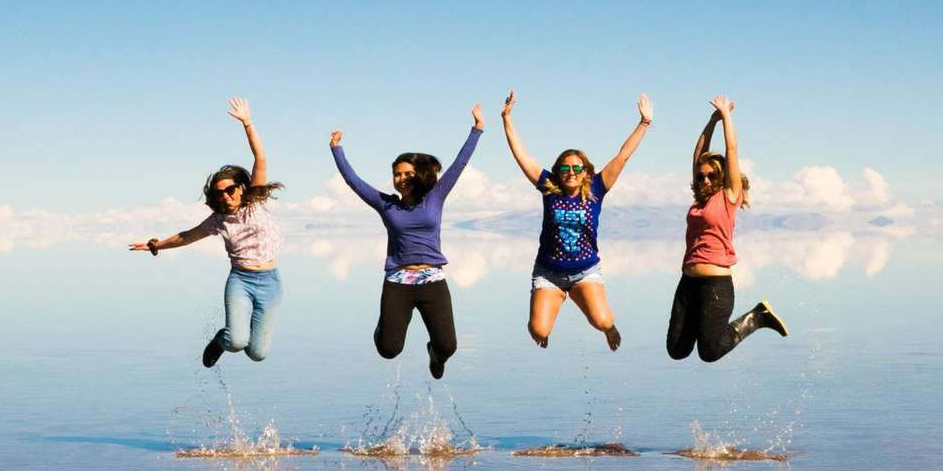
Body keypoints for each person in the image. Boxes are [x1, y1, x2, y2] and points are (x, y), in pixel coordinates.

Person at [330, 104, 485, 378]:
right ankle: (383, 327)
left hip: (432, 280)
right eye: (396, 174)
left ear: (419, 174)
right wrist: (336, 150)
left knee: (447, 346)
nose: (400, 179)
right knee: (389, 350)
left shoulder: (435, 196)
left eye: (406, 173)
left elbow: (459, 164)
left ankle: (434, 357)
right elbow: (354, 181)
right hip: (398, 282)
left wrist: (477, 129)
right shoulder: (386, 204)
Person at [131, 97, 286, 367]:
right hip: (241, 280)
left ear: (241, 188)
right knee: (236, 341)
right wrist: (156, 245)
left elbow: (260, 157)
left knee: (258, 353)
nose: (226, 196)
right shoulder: (218, 220)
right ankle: (220, 341)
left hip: (271, 282)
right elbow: (187, 236)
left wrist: (247, 123)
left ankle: (234, 339)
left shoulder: (257, 204)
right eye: (220, 193)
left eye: (230, 189)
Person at [500, 90, 648, 350]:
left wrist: (644, 123)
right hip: (548, 274)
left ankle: (608, 329)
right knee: (539, 330)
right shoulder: (548, 187)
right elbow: (521, 155)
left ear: (585, 172)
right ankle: (546, 309)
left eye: (577, 168)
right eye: (565, 168)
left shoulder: (596, 189)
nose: (571, 172)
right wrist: (507, 119)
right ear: (557, 171)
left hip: (585, 273)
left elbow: (623, 155)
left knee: (602, 321)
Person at [667, 96, 788, 362]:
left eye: (711, 175)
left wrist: (726, 117)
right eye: (701, 176)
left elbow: (731, 149)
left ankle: (757, 317)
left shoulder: (729, 196)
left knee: (709, 352)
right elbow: (698, 153)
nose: (705, 178)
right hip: (687, 283)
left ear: (722, 177)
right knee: (676, 350)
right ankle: (707, 324)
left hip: (716, 285)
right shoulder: (699, 200)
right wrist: (711, 121)